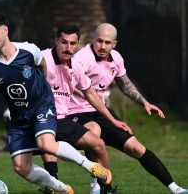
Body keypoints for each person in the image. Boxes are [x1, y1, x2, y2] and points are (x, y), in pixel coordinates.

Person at [0, 10, 112, 193]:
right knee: (20, 166)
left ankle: (91, 166)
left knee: (46, 144)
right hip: (19, 116)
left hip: (42, 104)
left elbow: (42, 66)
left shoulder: (28, 50)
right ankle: (61, 188)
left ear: (5, 30)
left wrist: (41, 88)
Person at [0, 24, 125, 194]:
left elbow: (91, 95)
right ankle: (55, 185)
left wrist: (113, 119)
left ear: (78, 44)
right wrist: (0, 82)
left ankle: (106, 189)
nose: (68, 48)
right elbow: (16, 72)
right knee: (39, 150)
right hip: (40, 117)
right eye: (64, 42)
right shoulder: (41, 57)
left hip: (62, 119)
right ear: (56, 40)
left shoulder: (77, 66)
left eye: (73, 44)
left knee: (98, 144)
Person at [69, 23, 188, 194]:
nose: (103, 46)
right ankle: (96, 183)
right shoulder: (82, 58)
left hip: (102, 111)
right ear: (93, 40)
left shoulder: (116, 58)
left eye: (107, 43)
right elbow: (70, 84)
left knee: (136, 148)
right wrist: (90, 95)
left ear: (114, 44)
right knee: (93, 133)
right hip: (77, 111)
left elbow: (125, 85)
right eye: (99, 41)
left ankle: (175, 189)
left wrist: (144, 102)